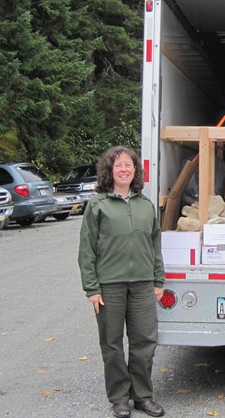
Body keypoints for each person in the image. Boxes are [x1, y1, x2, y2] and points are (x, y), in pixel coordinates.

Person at [78, 146, 166, 418]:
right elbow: (87, 248)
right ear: (110, 171)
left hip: (142, 285)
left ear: (135, 170)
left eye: (128, 165)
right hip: (109, 287)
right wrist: (92, 288)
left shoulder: (145, 205)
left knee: (144, 343)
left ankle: (142, 396)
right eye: (118, 166)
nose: (124, 170)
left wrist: (158, 279)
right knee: (112, 344)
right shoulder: (98, 205)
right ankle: (119, 399)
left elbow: (154, 244)